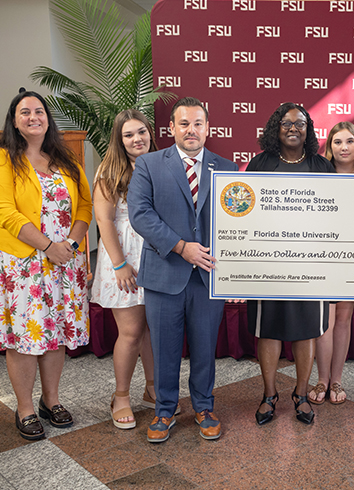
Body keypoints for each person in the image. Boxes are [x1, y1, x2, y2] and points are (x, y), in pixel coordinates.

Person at [0, 90, 92, 440]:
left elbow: (85, 208)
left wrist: (70, 245)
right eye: (25, 111)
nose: (33, 116)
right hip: (19, 264)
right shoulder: (1, 158)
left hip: (63, 260)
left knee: (55, 331)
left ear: (48, 118)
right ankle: (26, 408)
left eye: (39, 111)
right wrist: (48, 247)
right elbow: (5, 212)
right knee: (24, 335)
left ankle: (51, 401)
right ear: (14, 120)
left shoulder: (66, 160)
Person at [127, 97, 238, 443]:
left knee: (205, 347)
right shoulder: (148, 165)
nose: (192, 130)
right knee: (165, 348)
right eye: (184, 124)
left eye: (198, 123)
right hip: (164, 273)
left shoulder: (227, 169)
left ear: (208, 127)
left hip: (209, 276)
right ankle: (164, 410)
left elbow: (238, 224)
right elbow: (141, 215)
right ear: (171, 128)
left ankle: (204, 407)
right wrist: (181, 247)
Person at [246, 102, 335, 425]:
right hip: (267, 264)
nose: (293, 128)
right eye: (286, 123)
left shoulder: (321, 166)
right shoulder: (260, 164)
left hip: (310, 267)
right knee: (267, 331)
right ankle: (269, 394)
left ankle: (300, 394)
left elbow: (335, 216)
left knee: (305, 331)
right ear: (275, 128)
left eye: (300, 123)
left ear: (308, 130)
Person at [91, 109, 170, 429]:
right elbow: (104, 221)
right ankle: (121, 395)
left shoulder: (162, 166)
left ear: (150, 133)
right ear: (119, 140)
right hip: (124, 260)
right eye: (128, 134)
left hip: (157, 257)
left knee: (153, 329)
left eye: (141, 132)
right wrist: (120, 264)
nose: (137, 139)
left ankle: (152, 391)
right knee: (132, 331)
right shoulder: (109, 172)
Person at [308, 122, 354, 406]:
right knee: (325, 322)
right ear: (329, 146)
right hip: (323, 256)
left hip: (353, 257)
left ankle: (337, 379)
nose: (344, 147)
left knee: (343, 319)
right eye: (338, 142)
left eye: (350, 142)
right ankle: (322, 379)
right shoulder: (318, 174)